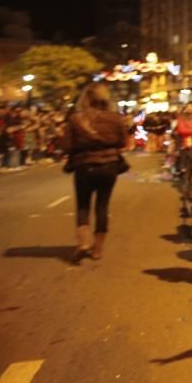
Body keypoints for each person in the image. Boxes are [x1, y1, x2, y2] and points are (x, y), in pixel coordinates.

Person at [60, 83, 128, 261]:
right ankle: (97, 249)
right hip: (109, 165)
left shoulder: (76, 119)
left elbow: (67, 146)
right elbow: (122, 142)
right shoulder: (115, 118)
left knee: (83, 205)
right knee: (102, 205)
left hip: (84, 165)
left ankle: (84, 242)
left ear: (86, 98)